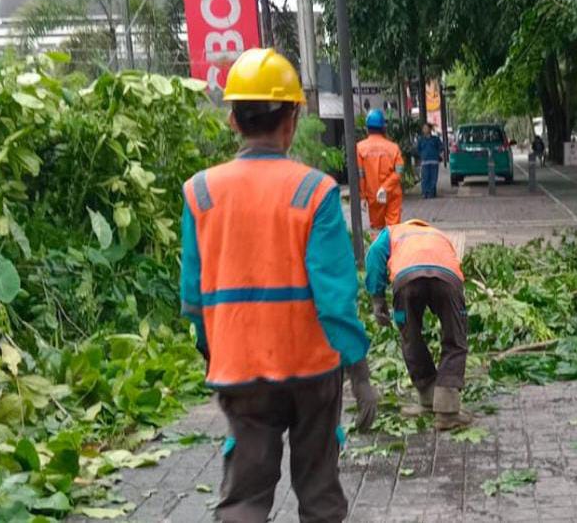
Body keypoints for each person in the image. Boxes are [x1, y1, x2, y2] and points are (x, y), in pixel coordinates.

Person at [179, 48, 377, 523]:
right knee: (319, 494)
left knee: (244, 500)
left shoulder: (200, 191)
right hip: (311, 369)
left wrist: (213, 352)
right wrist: (359, 372)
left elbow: (193, 297)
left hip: (240, 368)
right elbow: (335, 299)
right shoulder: (315, 191)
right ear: (291, 121)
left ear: (233, 120)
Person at [365, 219, 472, 430]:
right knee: (455, 338)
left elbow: (375, 254)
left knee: (411, 337)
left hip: (407, 280)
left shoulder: (392, 233)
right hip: (447, 280)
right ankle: (447, 409)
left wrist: (378, 299)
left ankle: (428, 396)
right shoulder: (439, 235)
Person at [356, 108, 404, 230]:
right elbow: (399, 172)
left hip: (373, 196)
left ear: (367, 128)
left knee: (377, 230)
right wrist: (385, 188)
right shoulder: (393, 148)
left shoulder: (360, 148)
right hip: (392, 193)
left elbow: (360, 175)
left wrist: (363, 197)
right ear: (383, 127)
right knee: (393, 229)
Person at [416, 123, 443, 199]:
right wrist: (421, 156)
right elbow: (418, 149)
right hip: (425, 162)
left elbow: (441, 147)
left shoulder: (435, 139)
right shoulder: (421, 139)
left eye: (426, 128)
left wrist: (437, 154)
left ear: (430, 129)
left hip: (434, 161)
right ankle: (425, 193)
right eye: (423, 128)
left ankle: (432, 193)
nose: (424, 129)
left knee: (433, 178)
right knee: (425, 178)